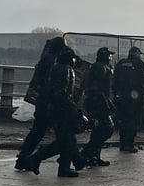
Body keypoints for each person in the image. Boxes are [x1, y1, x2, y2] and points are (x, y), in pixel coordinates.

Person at [26, 46, 83, 177]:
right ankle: (37, 158)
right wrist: (72, 107)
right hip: (61, 110)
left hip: (56, 109)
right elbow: (60, 93)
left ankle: (69, 165)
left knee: (67, 139)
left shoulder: (58, 67)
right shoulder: (65, 70)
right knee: (65, 141)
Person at [15, 37, 66, 171]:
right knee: (63, 134)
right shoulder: (53, 62)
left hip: (43, 99)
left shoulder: (46, 59)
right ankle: (32, 158)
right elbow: (52, 83)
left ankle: (23, 157)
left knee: (38, 131)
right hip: (49, 101)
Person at [113, 46, 144, 152]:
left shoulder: (121, 63)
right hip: (135, 98)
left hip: (122, 97)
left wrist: (115, 95)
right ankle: (129, 144)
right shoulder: (140, 64)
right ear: (137, 53)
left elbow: (114, 81)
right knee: (133, 121)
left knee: (124, 120)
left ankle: (122, 144)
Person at [80, 47, 116, 167]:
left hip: (97, 100)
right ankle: (87, 153)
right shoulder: (101, 68)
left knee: (99, 130)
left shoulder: (97, 67)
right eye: (109, 55)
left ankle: (94, 156)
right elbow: (98, 88)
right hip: (98, 101)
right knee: (107, 128)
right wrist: (106, 103)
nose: (111, 58)